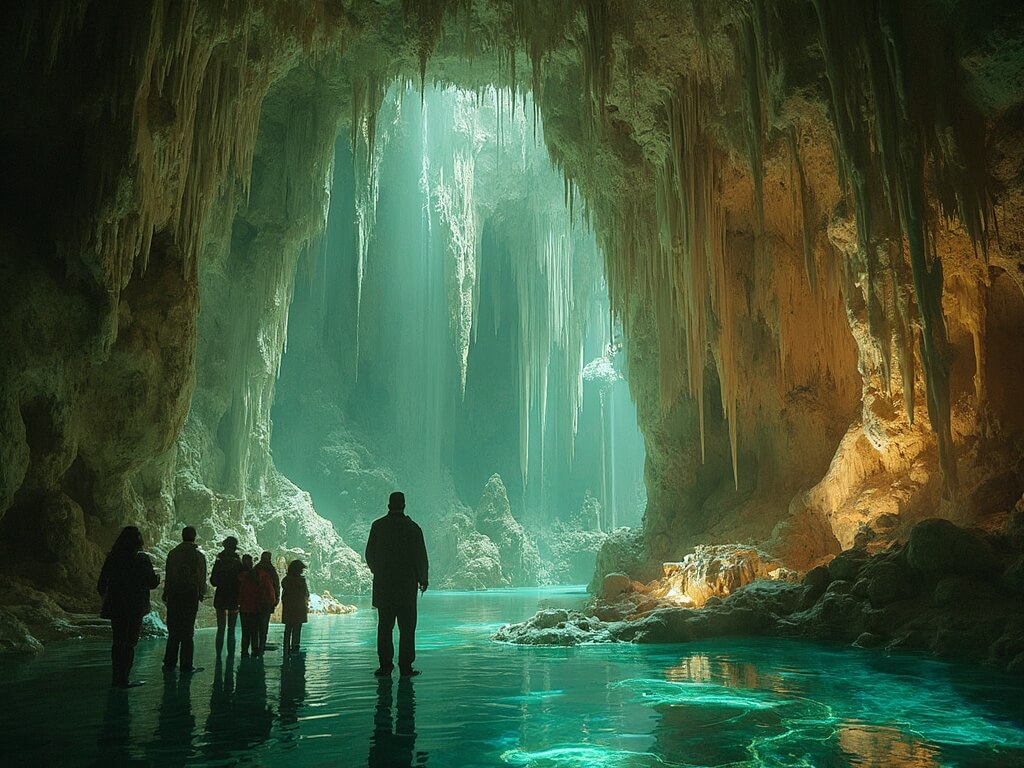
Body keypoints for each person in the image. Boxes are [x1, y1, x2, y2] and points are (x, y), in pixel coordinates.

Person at [365, 491, 428, 678]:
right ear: (404, 505)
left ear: (388, 505)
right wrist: (422, 579)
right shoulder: (413, 528)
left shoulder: (378, 526)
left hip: (384, 588)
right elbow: (420, 557)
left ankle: (385, 666)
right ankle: (406, 667)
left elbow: (369, 555)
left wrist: (380, 572)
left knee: (384, 627)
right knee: (407, 628)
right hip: (406, 589)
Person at [97, 525, 160, 688]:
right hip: (135, 606)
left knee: (118, 642)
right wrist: (157, 579)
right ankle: (124, 678)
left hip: (116, 606)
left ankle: (116, 678)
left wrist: (108, 598)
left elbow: (102, 583)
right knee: (130, 642)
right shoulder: (142, 559)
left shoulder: (113, 557)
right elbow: (152, 583)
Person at [162, 525, 208, 672]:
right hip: (190, 595)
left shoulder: (173, 553)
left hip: (174, 594)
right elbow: (202, 577)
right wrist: (201, 592)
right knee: (188, 631)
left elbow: (168, 575)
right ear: (194, 537)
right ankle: (186, 665)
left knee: (174, 629)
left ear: (182, 536)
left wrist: (166, 592)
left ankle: (170, 661)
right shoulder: (199, 556)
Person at [210, 535, 243, 657]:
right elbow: (241, 580)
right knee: (231, 629)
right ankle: (230, 656)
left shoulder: (219, 561)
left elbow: (213, 580)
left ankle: (218, 655)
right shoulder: (237, 562)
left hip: (220, 597)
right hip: (234, 598)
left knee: (221, 628)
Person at [238, 553, 275, 658]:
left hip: (244, 608)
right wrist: (271, 603)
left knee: (245, 632)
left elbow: (238, 592)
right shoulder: (263, 575)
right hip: (257, 607)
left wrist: (239, 603)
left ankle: (244, 652)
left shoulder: (241, 577)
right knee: (256, 631)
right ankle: (256, 651)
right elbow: (270, 591)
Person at [281, 559, 310, 655]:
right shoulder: (301, 581)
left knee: (288, 629)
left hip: (289, 608)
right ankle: (295, 648)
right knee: (297, 629)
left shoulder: (286, 580)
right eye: (301, 569)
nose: (302, 571)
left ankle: (286, 648)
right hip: (299, 608)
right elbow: (306, 593)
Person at [254, 551, 280, 652]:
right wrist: (277, 597)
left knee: (256, 623)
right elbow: (276, 584)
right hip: (268, 600)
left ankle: (255, 644)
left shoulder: (257, 568)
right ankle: (262, 644)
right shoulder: (271, 569)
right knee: (264, 623)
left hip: (256, 600)